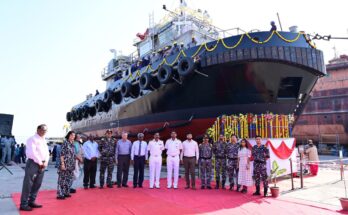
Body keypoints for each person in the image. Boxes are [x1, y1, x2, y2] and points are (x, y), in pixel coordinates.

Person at [19, 124, 49, 211]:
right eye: (43, 129)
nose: (44, 131)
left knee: (37, 184)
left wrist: (45, 162)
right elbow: (32, 153)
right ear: (38, 129)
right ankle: (23, 204)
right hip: (33, 163)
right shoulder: (32, 139)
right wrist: (40, 162)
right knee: (28, 184)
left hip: (42, 164)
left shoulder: (43, 140)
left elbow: (47, 153)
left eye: (46, 130)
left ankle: (31, 201)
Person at [57, 131, 77, 200]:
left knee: (69, 179)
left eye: (74, 135)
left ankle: (66, 192)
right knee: (62, 179)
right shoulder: (65, 143)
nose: (73, 136)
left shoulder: (73, 144)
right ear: (68, 135)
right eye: (71, 135)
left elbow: (73, 155)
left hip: (71, 165)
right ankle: (60, 194)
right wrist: (62, 164)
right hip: (65, 164)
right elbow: (61, 154)